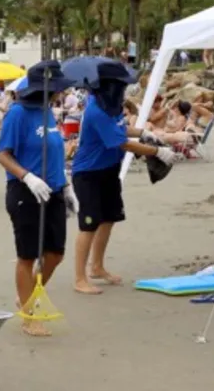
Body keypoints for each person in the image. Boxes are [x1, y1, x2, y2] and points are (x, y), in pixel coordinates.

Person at [71, 62, 177, 295]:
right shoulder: (96, 110)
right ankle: (80, 278)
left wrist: (144, 132)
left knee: (108, 218)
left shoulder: (111, 106)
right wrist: (157, 151)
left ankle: (97, 267)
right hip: (89, 173)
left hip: (109, 170)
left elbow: (121, 129)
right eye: (120, 85)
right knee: (89, 224)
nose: (123, 90)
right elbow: (121, 143)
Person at [0, 60, 79, 336]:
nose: (58, 93)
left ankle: (29, 292)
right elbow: (3, 154)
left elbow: (54, 151)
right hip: (25, 191)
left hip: (53, 188)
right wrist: (27, 177)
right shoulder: (17, 114)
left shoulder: (47, 112)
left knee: (55, 253)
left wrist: (66, 186)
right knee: (28, 254)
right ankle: (29, 314)